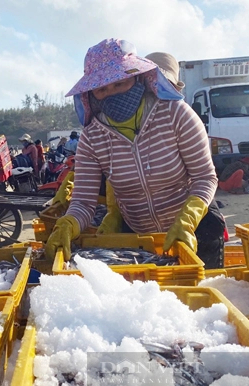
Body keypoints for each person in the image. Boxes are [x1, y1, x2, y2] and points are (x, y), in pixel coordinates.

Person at [46, 38, 224, 269]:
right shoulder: (92, 137)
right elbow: (83, 202)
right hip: (138, 240)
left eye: (119, 84)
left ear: (138, 78)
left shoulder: (176, 114)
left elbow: (205, 177)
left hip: (196, 230)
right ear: (91, 94)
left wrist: (187, 220)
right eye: (102, 89)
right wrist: (68, 224)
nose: (111, 93)